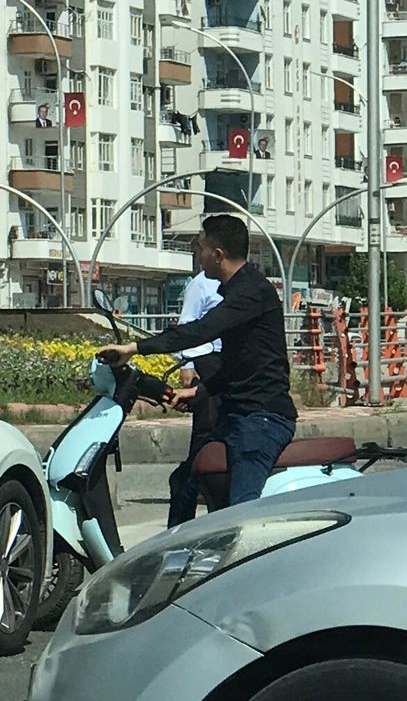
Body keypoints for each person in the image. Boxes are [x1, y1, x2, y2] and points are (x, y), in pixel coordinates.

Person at [98, 214, 295, 509]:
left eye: (201, 248)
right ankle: (181, 541)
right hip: (239, 415)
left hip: (263, 418)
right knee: (184, 482)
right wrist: (198, 392)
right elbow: (241, 363)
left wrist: (134, 348)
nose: (198, 255)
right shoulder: (238, 290)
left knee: (242, 505)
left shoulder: (251, 293)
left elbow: (200, 331)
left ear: (218, 255)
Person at [163, 247, 224, 527]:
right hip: (208, 365)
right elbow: (188, 325)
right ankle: (180, 524)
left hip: (232, 370)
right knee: (203, 442)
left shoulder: (242, 286)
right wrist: (187, 364)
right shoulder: (201, 284)